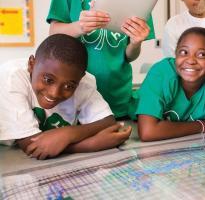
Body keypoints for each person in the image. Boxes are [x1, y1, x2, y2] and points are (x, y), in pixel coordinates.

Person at [46, 0, 154, 119]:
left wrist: (136, 43)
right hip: (74, 95)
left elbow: (129, 56)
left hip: (117, 97)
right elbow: (54, 32)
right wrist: (80, 27)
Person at [0, 34, 131, 160]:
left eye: (69, 86)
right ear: (31, 65)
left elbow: (107, 121)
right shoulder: (11, 77)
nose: (54, 93)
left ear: (81, 78)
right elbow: (30, 144)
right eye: (48, 80)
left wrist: (69, 133)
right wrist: (92, 144)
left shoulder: (83, 81)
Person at [136, 27, 205, 142]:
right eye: (183, 52)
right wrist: (202, 126)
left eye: (202, 54)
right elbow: (148, 132)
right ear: (175, 54)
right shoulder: (161, 73)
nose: (190, 60)